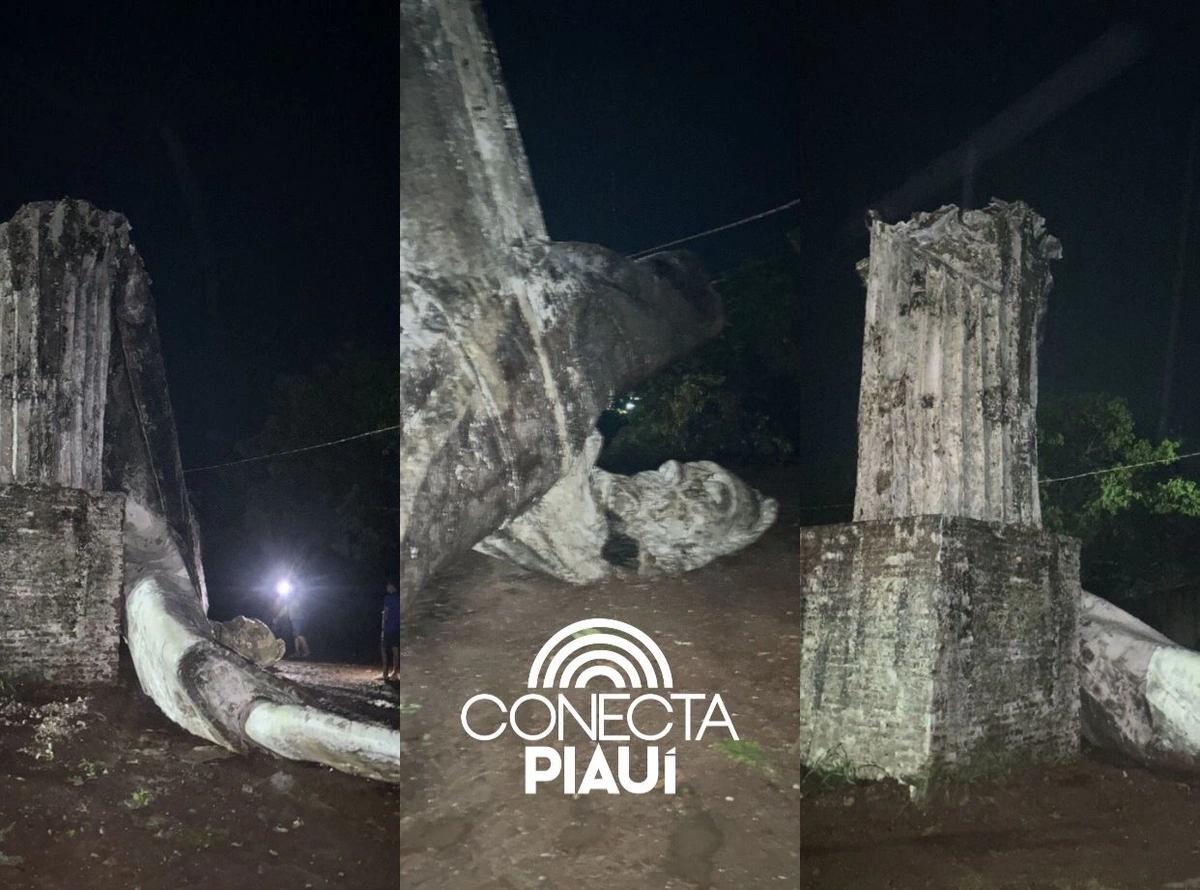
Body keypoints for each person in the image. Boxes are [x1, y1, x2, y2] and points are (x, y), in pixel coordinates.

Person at [381, 582, 400, 681]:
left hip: (389, 627)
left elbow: (386, 612)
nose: (387, 588)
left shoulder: (388, 598)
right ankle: (395, 672)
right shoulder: (399, 598)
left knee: (384, 648)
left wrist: (383, 625)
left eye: (388, 586)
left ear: (392, 587)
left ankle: (385, 672)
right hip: (397, 627)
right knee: (395, 648)